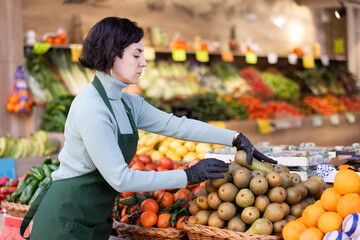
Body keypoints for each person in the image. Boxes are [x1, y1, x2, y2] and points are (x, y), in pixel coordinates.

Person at [20, 17, 276, 240]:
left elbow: (174, 125)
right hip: (64, 222)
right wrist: (188, 176)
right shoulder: (92, 107)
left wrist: (234, 137)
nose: (144, 62)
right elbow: (120, 179)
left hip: (92, 220)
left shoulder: (127, 102)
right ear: (112, 55)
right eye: (136, 54)